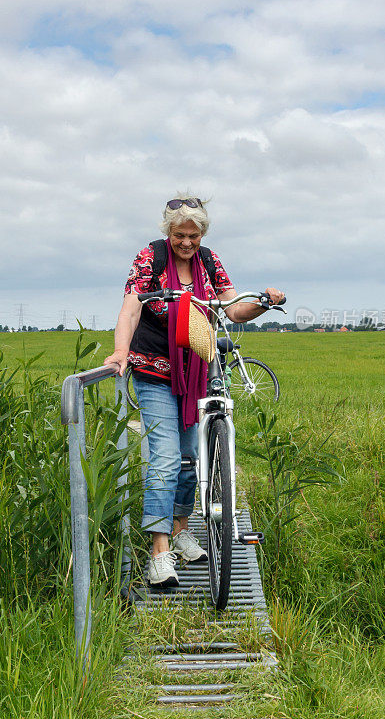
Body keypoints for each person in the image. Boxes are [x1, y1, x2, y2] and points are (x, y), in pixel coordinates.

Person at [104, 196, 285, 587]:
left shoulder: (208, 261)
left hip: (197, 370)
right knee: (166, 460)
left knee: (189, 459)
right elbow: (131, 308)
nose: (186, 242)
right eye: (179, 234)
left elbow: (232, 309)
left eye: (193, 235)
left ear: (202, 234)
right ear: (167, 232)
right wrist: (121, 351)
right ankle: (159, 551)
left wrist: (264, 303)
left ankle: (182, 527)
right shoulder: (149, 259)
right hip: (155, 371)